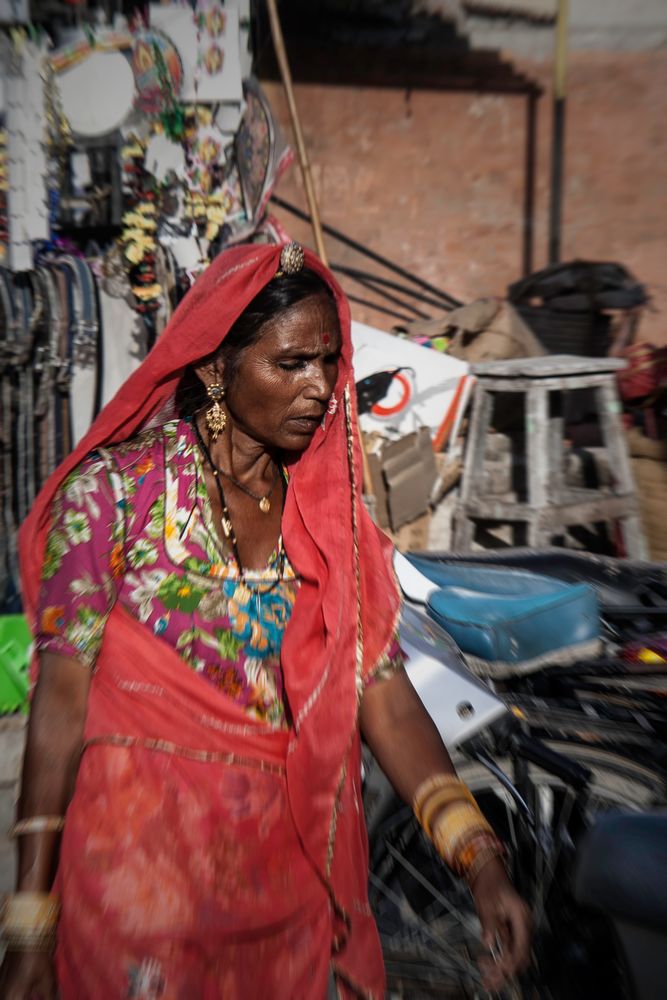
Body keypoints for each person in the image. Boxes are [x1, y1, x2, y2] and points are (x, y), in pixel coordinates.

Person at [1, 242, 530, 999]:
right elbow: (57, 708)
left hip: (283, 891)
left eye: (327, 361)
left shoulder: (328, 523)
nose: (320, 387)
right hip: (141, 898)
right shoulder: (114, 499)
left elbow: (377, 690)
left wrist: (480, 861)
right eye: (290, 365)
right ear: (217, 368)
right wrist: (29, 925)